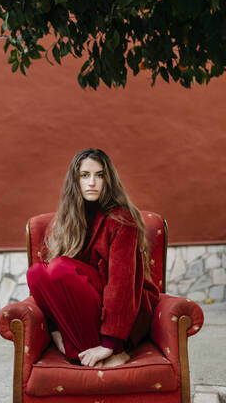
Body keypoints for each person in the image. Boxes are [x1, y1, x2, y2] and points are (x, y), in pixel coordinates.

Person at [26, 148, 159, 368]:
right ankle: (85, 353)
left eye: (100, 175)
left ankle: (112, 351)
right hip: (88, 304)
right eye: (85, 175)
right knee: (37, 272)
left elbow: (121, 284)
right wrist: (54, 329)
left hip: (124, 310)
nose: (92, 183)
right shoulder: (67, 219)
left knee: (59, 267)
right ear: (75, 181)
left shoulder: (123, 219)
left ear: (109, 180)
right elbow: (53, 288)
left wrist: (110, 344)